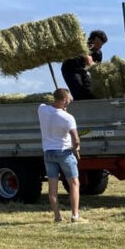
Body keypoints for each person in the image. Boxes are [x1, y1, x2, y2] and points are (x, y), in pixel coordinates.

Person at [38, 88, 84, 223]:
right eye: (68, 100)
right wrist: (77, 147)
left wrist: (62, 108)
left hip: (48, 152)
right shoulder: (68, 118)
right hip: (63, 152)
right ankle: (75, 216)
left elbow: (48, 107)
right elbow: (75, 138)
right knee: (74, 183)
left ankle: (57, 216)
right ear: (64, 100)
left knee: (53, 187)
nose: (70, 101)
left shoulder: (42, 110)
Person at [61, 30, 107, 101]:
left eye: (101, 45)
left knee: (90, 91)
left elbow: (96, 68)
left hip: (84, 72)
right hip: (71, 70)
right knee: (79, 90)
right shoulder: (80, 46)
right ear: (91, 40)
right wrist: (85, 56)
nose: (99, 47)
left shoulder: (98, 53)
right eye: (97, 43)